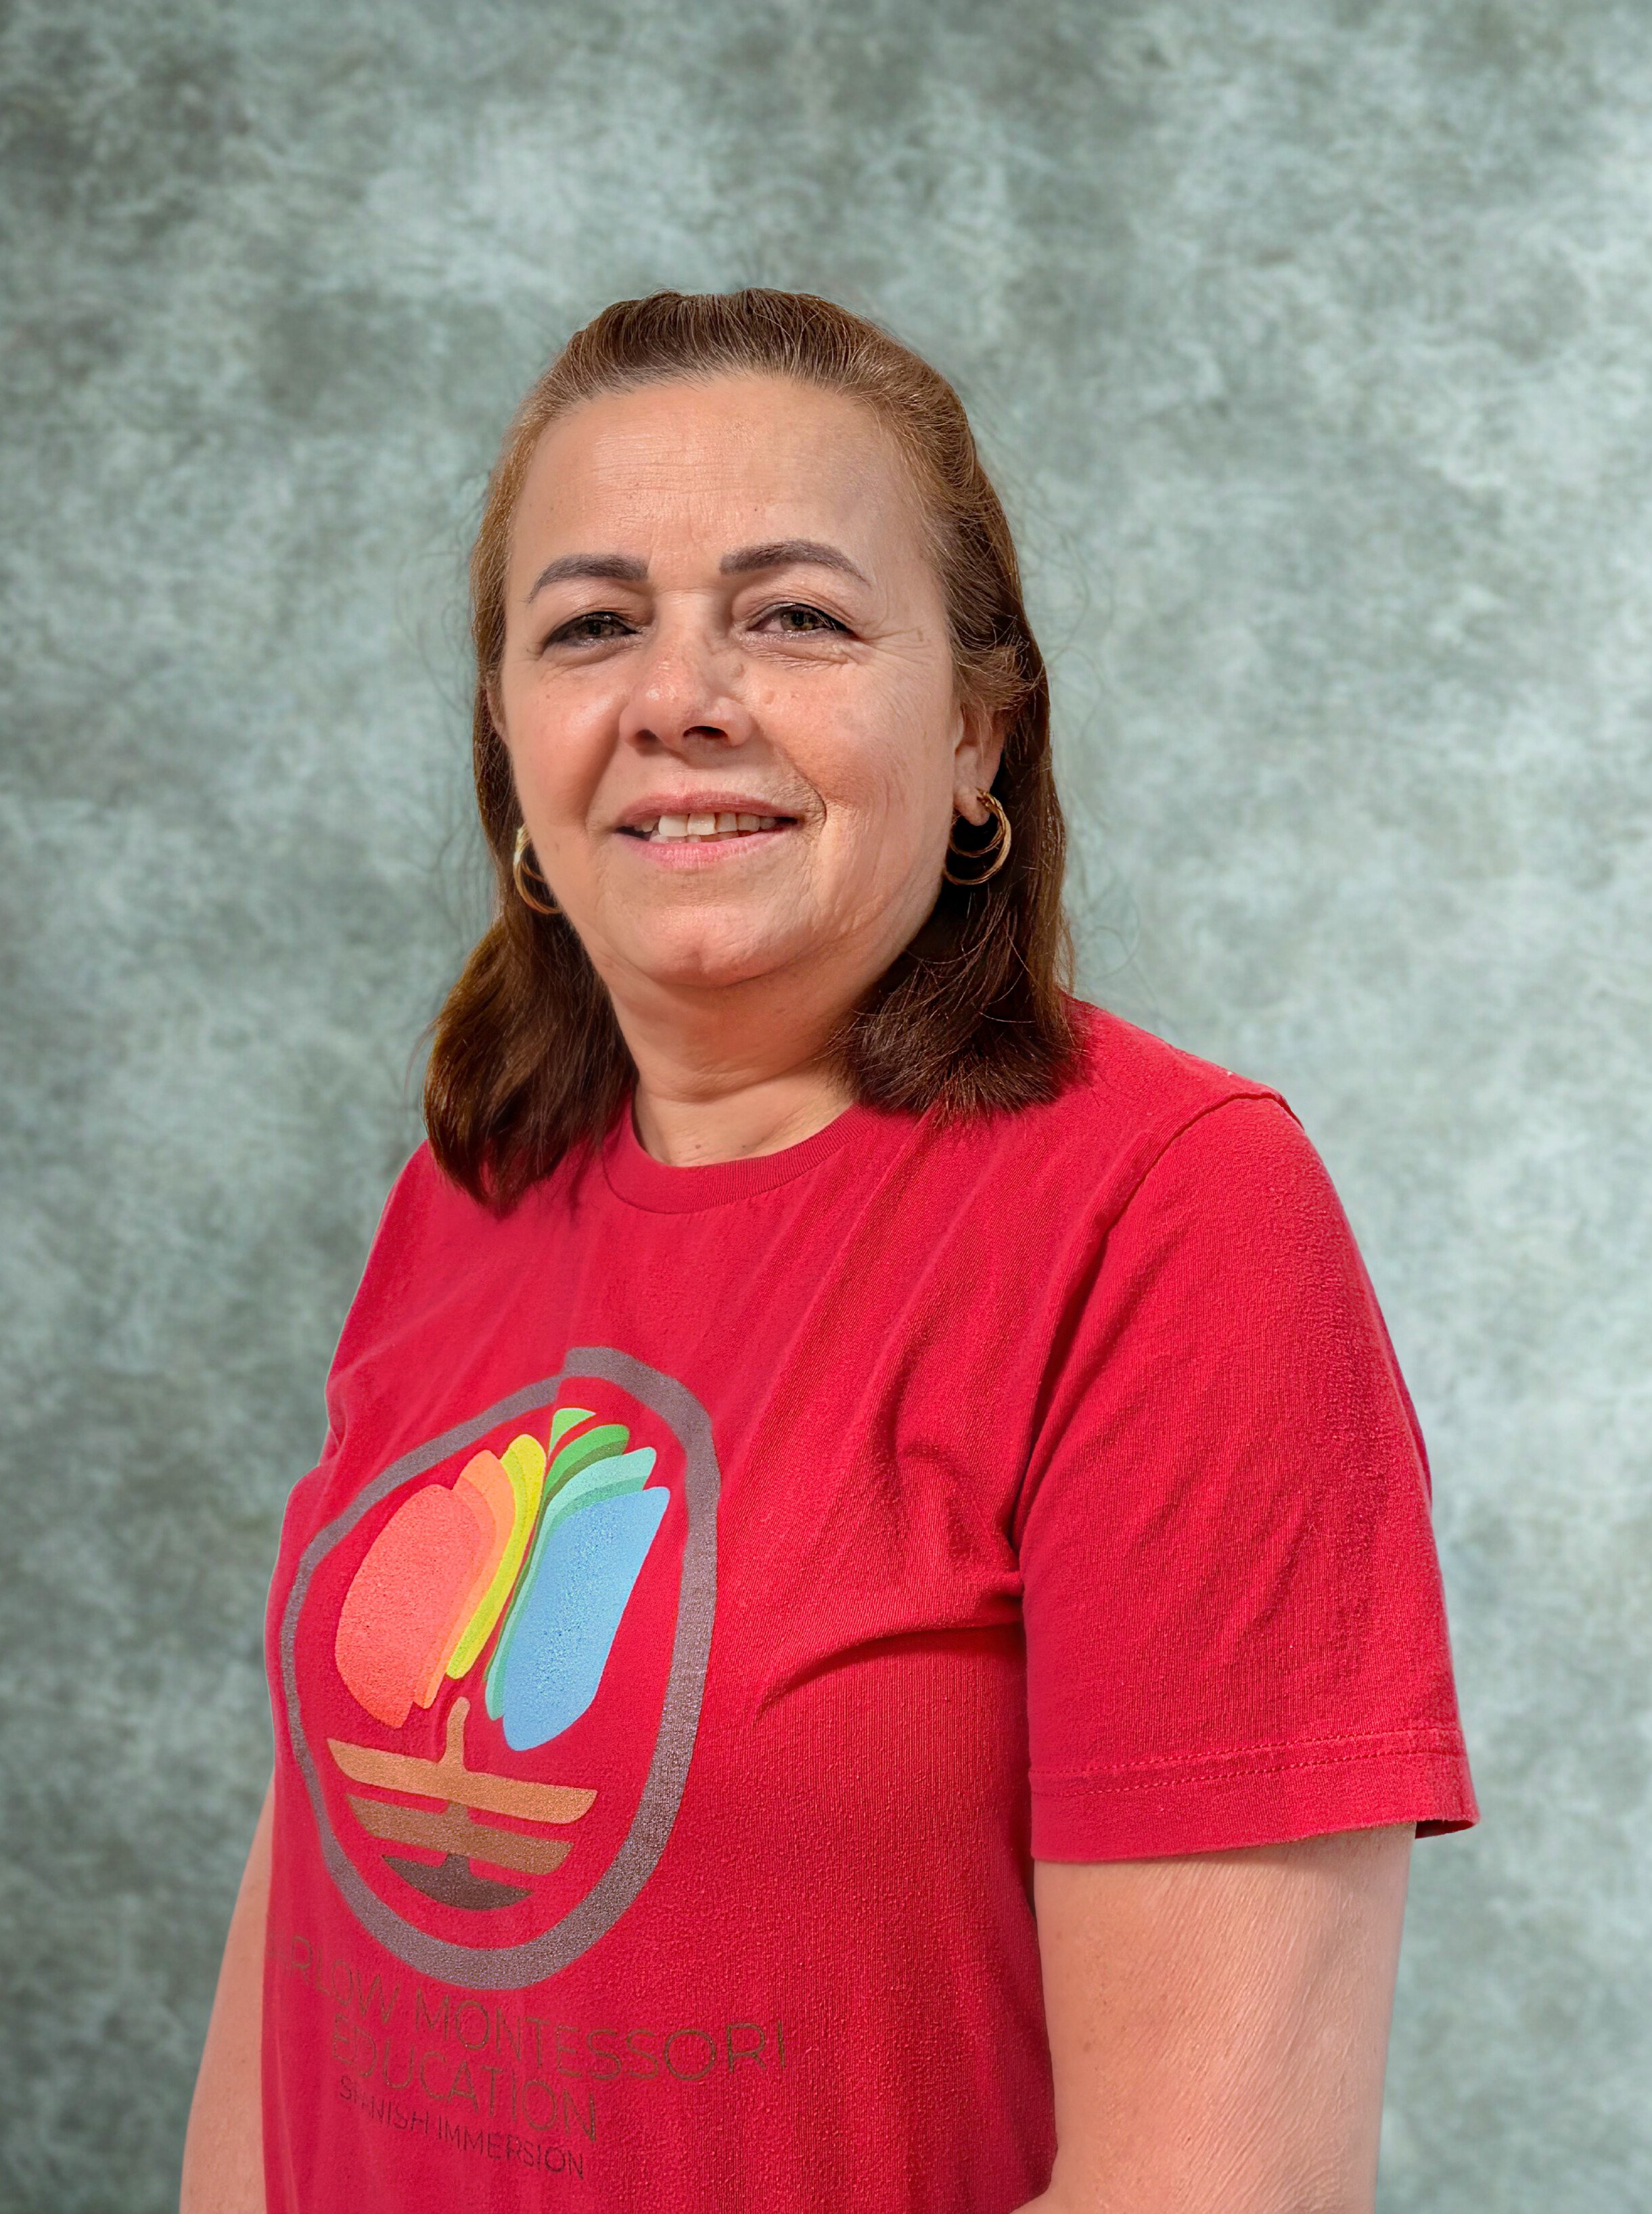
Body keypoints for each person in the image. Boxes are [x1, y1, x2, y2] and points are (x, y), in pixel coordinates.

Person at [181, 288, 1475, 2214]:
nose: (678, 695)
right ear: (513, 744)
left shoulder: (1170, 1212)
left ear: (975, 728)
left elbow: (1219, 2191)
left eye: (792, 615)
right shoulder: (466, 1193)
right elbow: (304, 1950)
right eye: (591, 624)